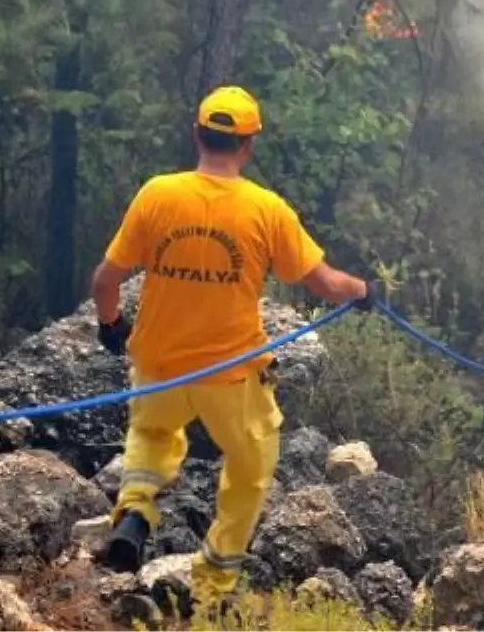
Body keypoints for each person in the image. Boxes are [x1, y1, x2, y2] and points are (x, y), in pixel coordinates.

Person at [87, 85, 383, 607]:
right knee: (251, 467)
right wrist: (364, 292)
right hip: (231, 375)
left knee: (151, 440)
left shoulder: (157, 194)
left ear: (196, 135)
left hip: (158, 364)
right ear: (247, 146)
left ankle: (134, 513)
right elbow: (322, 282)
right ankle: (213, 584)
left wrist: (111, 325)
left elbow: (104, 279)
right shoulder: (264, 210)